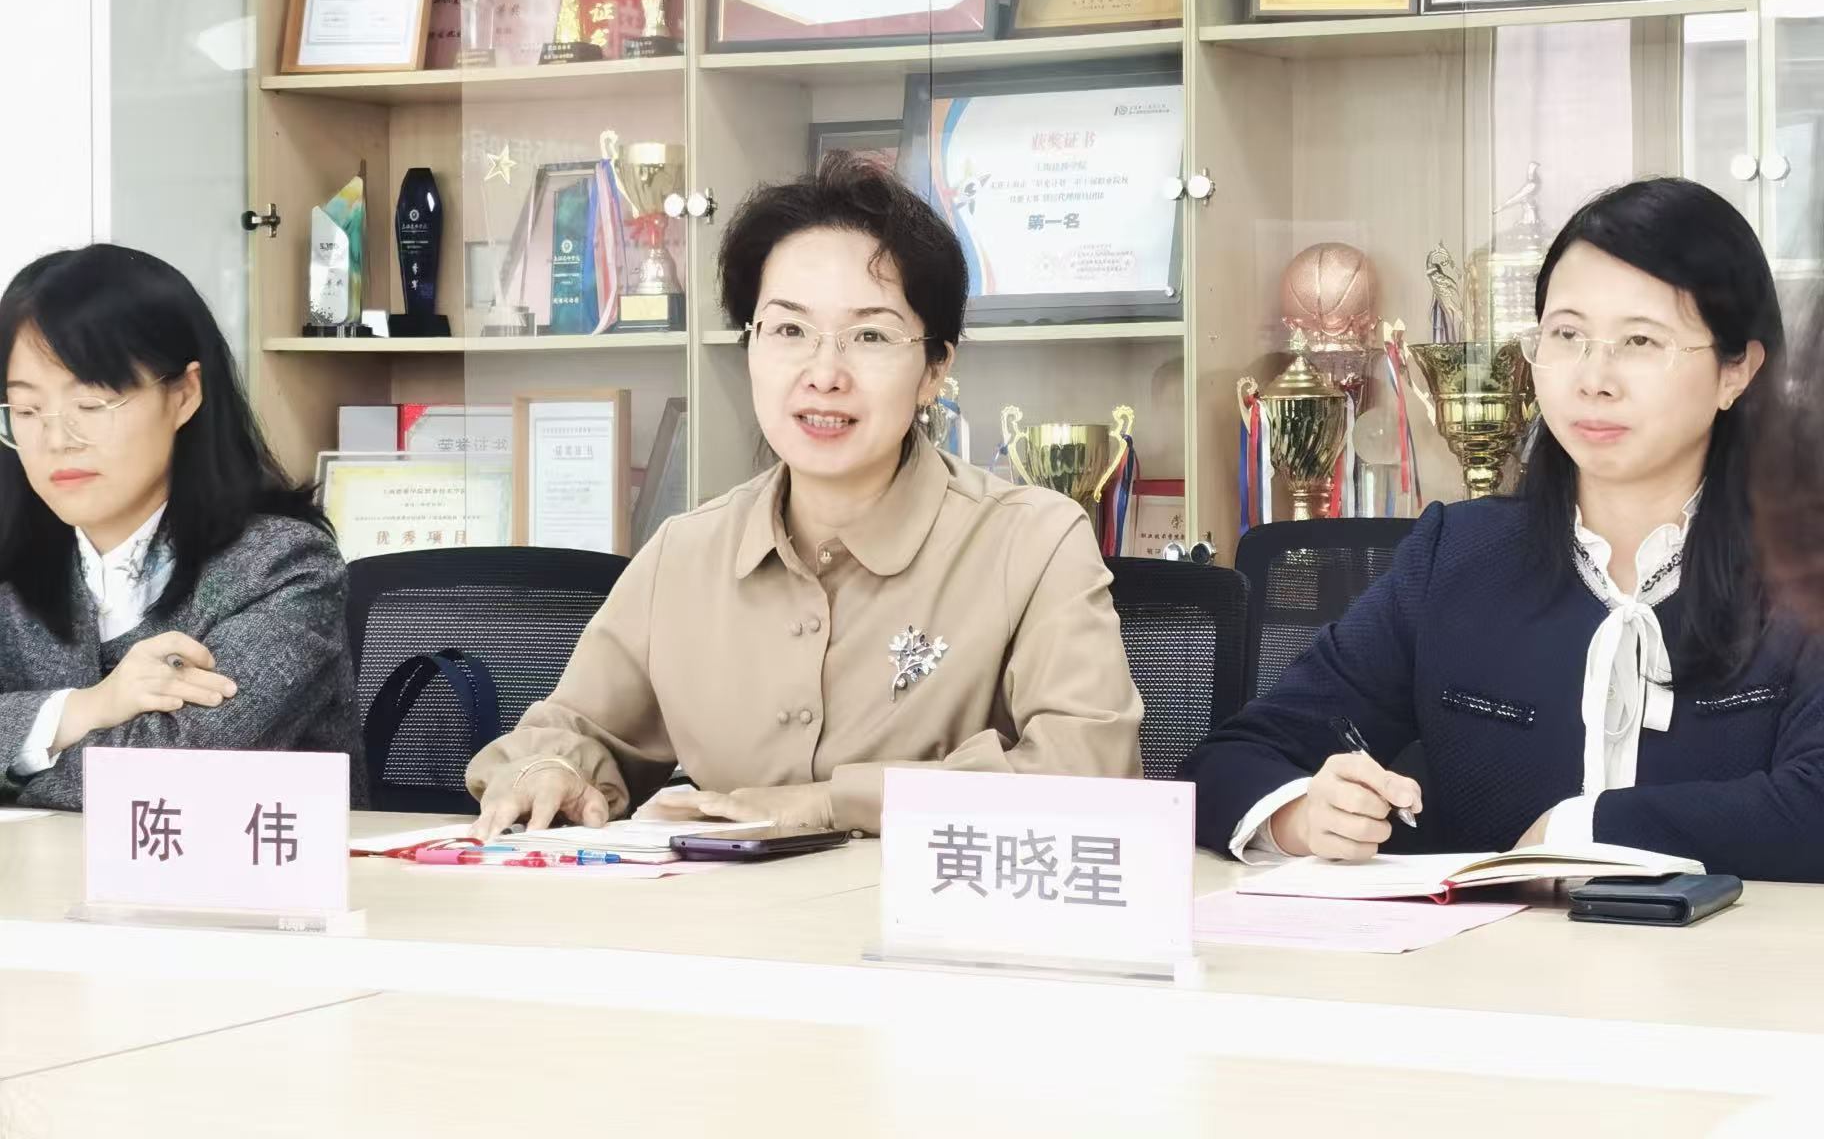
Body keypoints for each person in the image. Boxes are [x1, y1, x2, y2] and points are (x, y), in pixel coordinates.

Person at [468, 153, 1143, 837]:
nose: (824, 374)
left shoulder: (1032, 543)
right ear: (750, 346)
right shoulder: (686, 553)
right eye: (789, 329)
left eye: (871, 335)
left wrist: (829, 804)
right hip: (728, 906)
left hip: (936, 905)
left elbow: (1090, 773)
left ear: (935, 369)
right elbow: (576, 730)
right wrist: (546, 770)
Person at [1186, 177, 1824, 882]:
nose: (1594, 379)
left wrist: (1582, 831)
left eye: (1641, 340)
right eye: (1567, 335)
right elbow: (1230, 760)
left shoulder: (1803, 574)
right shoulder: (1455, 559)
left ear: (1737, 370)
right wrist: (1300, 814)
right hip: (1485, 955)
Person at [0, 245, 363, 809]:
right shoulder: (12, 565)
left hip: (249, 866)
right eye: (25, 411)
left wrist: (17, 765)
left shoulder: (284, 568)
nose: (55, 440)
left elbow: (173, 773)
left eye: (92, 404)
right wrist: (87, 707)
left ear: (184, 394)